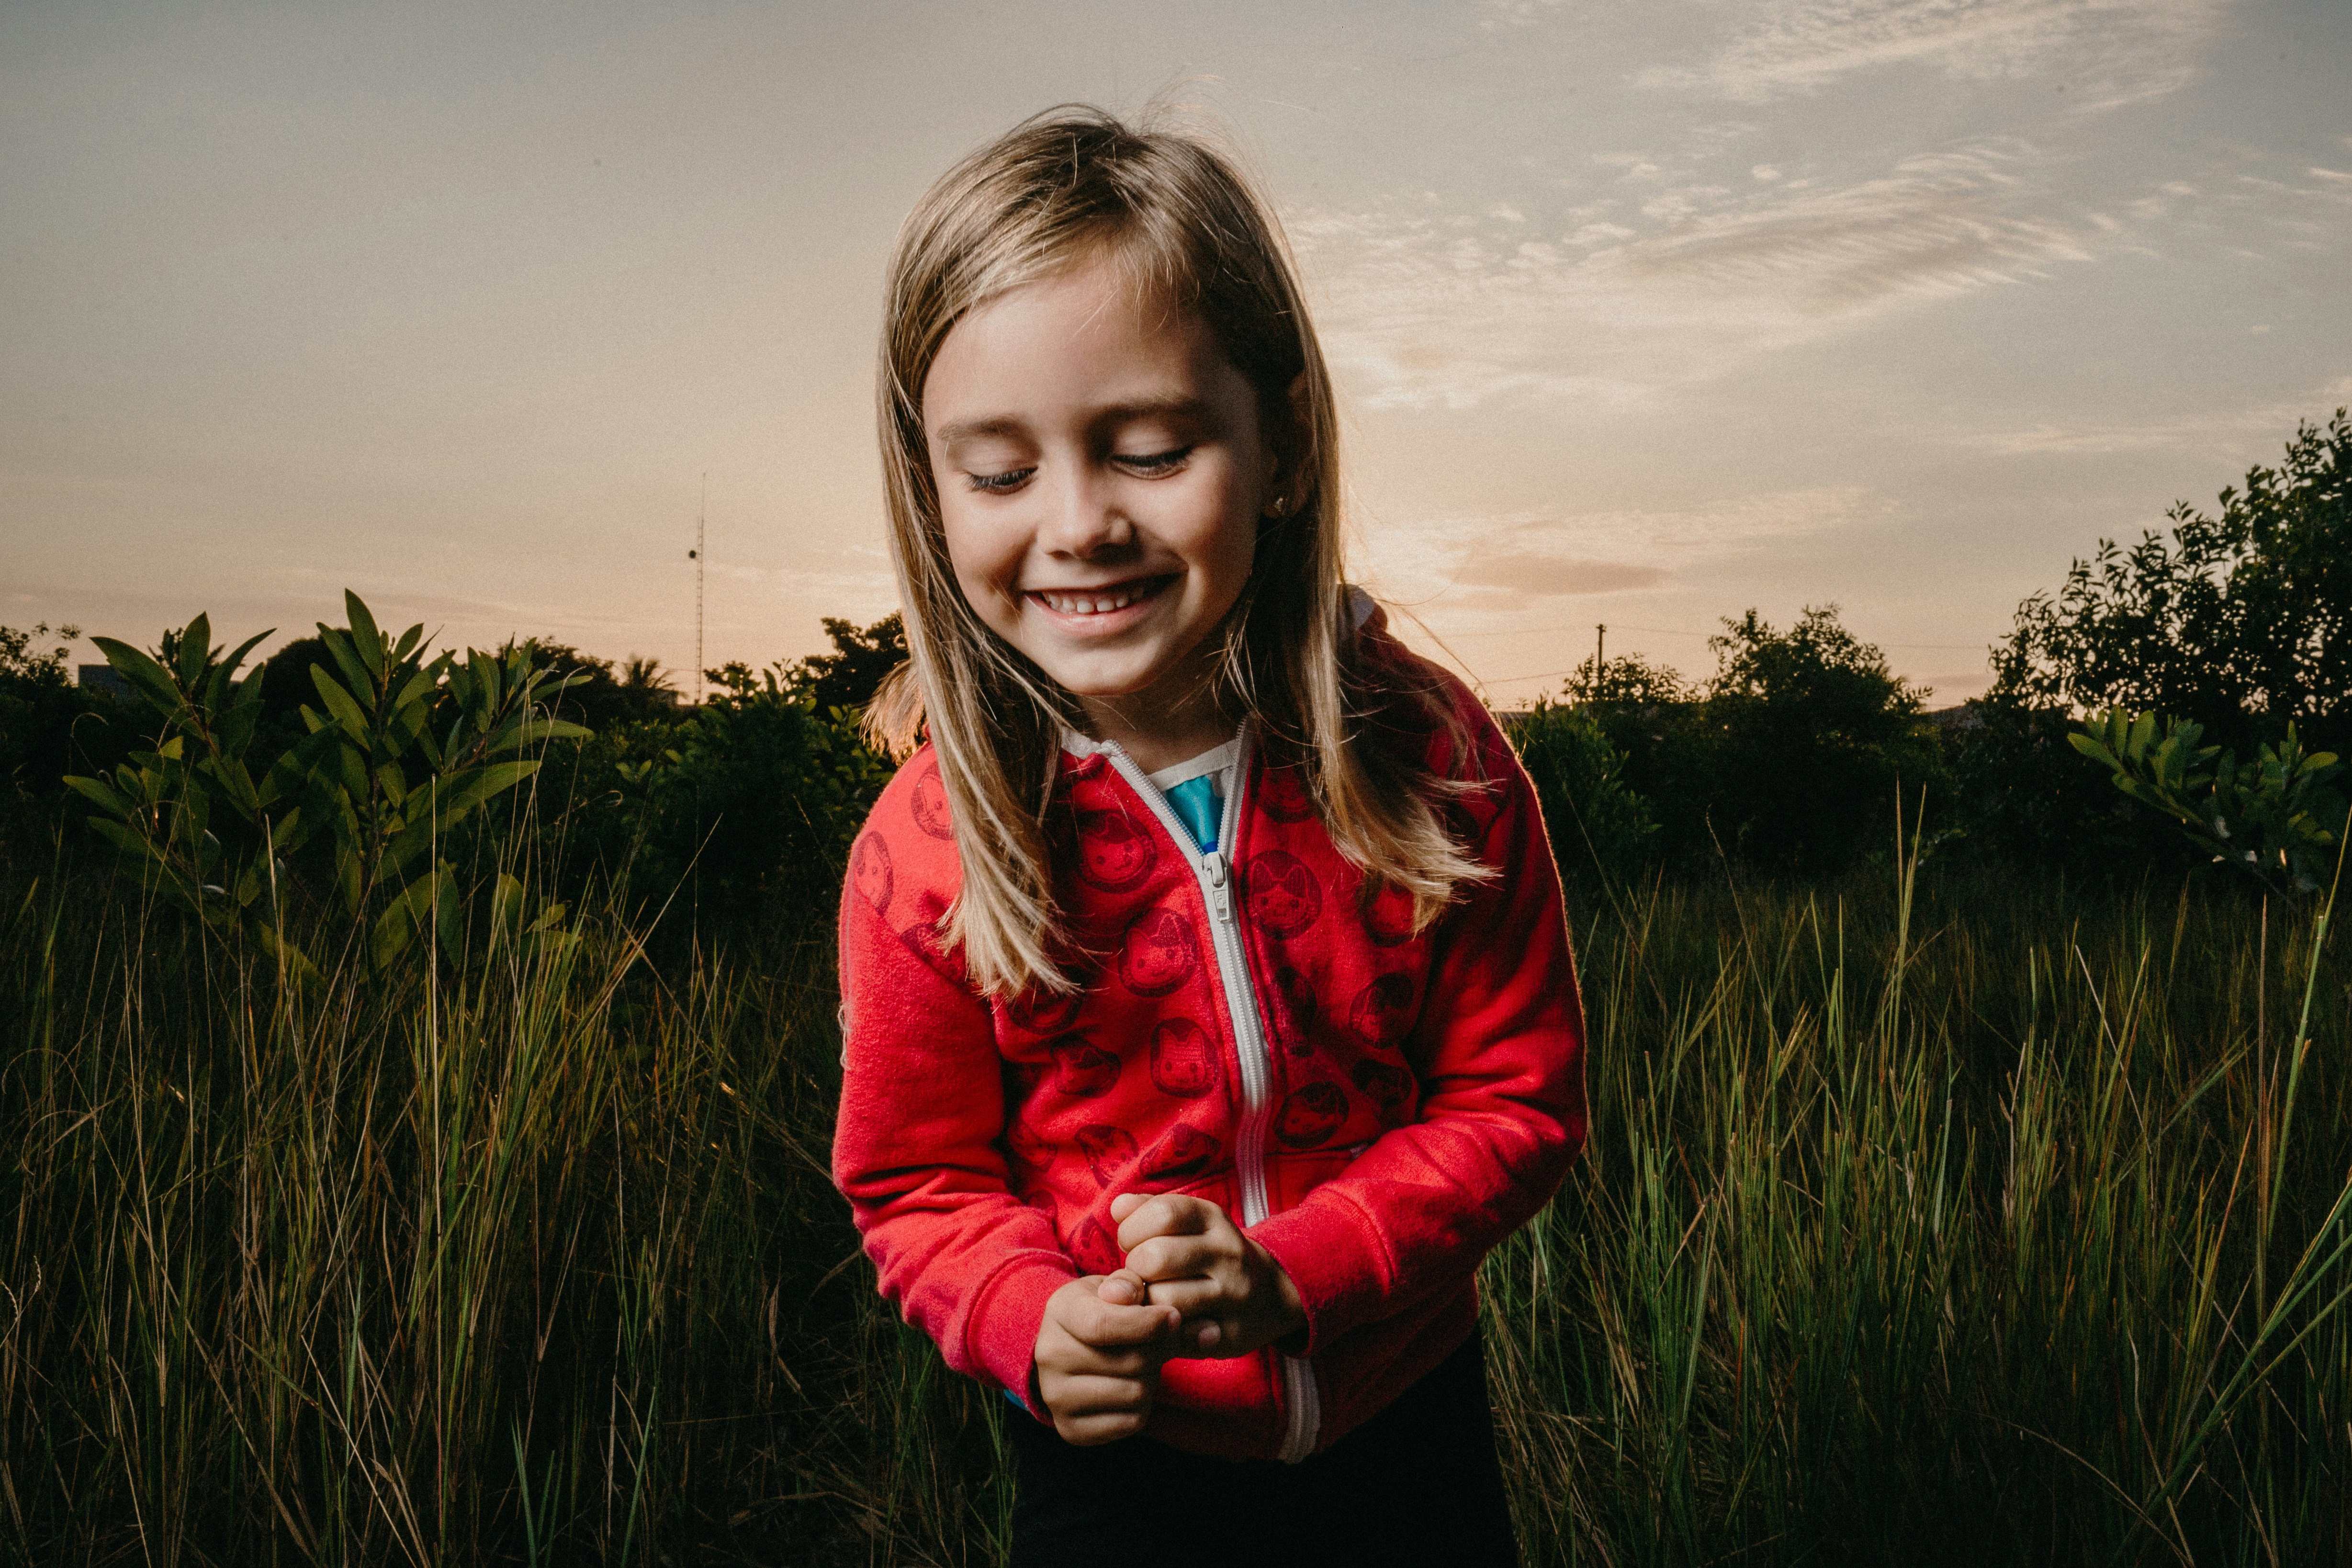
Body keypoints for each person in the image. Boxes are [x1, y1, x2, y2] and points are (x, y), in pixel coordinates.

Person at [831, 103, 1587, 1567]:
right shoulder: (930, 835)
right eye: (998, 472)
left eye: (1153, 446)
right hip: (1119, 1467)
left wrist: (1297, 1273)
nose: (1078, 523)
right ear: (930, 492)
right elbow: (916, 1182)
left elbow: (1515, 1095)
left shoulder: (1428, 755)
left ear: (1283, 442)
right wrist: (1026, 1316)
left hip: (1402, 1415)